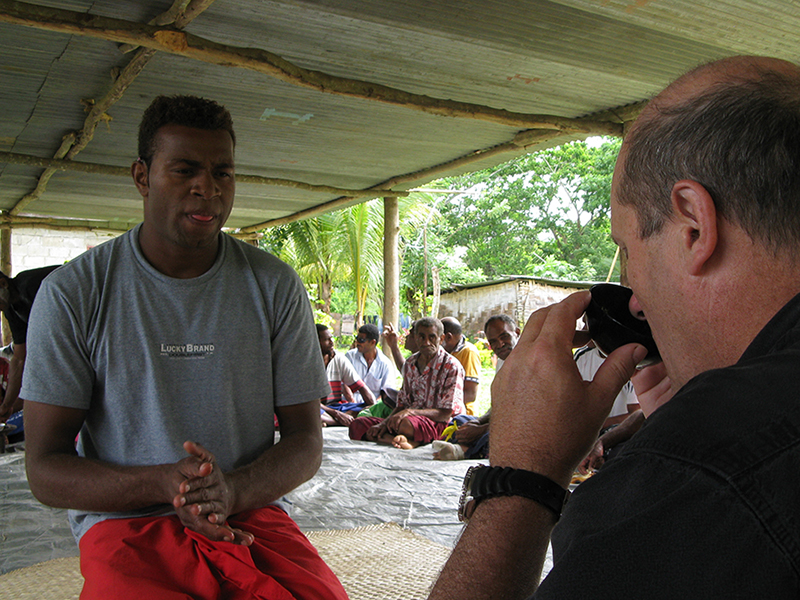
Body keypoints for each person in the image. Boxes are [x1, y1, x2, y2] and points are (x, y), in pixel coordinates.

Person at [430, 56, 800, 599]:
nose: (634, 293)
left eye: (626, 249)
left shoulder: (705, 474)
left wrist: (521, 479)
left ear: (693, 226)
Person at [21, 95, 348, 599]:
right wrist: (164, 484)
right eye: (185, 169)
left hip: (247, 513)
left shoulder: (275, 287)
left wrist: (232, 490)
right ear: (141, 177)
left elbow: (306, 439)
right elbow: (45, 468)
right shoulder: (74, 293)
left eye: (223, 172)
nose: (208, 188)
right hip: (126, 522)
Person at [349, 317, 465, 449]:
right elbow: (401, 404)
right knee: (358, 425)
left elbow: (445, 414)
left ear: (441, 338)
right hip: (406, 421)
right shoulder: (410, 364)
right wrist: (383, 424)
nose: (426, 342)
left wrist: (410, 412)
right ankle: (403, 440)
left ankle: (401, 439)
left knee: (405, 424)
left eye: (432, 337)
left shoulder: (451, 366)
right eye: (421, 337)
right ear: (415, 338)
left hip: (437, 424)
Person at [432, 315, 520, 461]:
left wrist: (482, 430)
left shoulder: (529, 360)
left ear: (516, 332)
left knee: (506, 434)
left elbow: (521, 415)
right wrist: (479, 422)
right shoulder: (503, 360)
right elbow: (498, 406)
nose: (500, 344)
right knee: (459, 421)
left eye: (504, 336)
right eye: (493, 341)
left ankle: (464, 450)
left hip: (519, 424)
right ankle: (465, 446)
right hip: (501, 421)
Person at [0, 265, 60, 423]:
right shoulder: (12, 310)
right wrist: (7, 405)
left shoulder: (31, 285)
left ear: (3, 284)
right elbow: (19, 359)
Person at [317, 323, 374, 427]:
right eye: (327, 340)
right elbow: (310, 402)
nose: (332, 343)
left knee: (363, 408)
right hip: (318, 408)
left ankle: (332, 421)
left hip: (336, 407)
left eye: (331, 338)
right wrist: (337, 415)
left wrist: (373, 407)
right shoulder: (306, 363)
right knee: (309, 411)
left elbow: (361, 387)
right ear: (315, 342)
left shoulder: (339, 359)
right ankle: (337, 422)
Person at [574, 343, 639, 430]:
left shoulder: (631, 359)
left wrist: (597, 425)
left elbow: (637, 414)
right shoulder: (581, 356)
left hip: (619, 435)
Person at [346, 323, 398, 402]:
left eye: (361, 340)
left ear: (372, 342)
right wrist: (352, 402)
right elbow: (344, 384)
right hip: (350, 403)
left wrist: (373, 407)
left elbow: (387, 392)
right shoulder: (350, 357)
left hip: (374, 406)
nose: (357, 343)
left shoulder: (385, 364)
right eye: (357, 339)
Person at [441, 317, 482, 415]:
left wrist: (440, 408)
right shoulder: (444, 353)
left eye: (438, 337)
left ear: (448, 337)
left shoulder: (468, 352)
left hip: (461, 414)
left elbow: (470, 394)